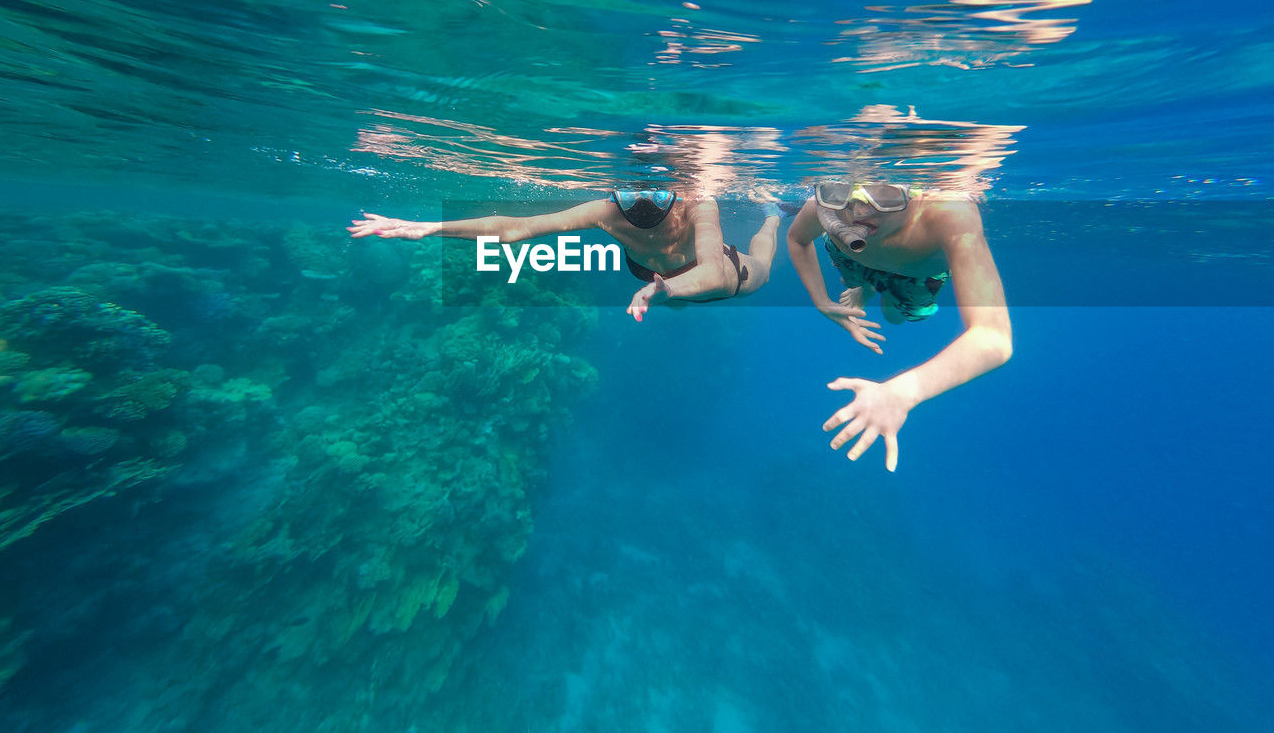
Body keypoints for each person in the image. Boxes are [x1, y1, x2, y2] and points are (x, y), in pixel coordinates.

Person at [786, 182, 1012, 472]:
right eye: (843, 192)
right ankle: (864, 286)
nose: (857, 210)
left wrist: (902, 393)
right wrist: (821, 300)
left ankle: (878, 291)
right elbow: (797, 239)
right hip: (851, 254)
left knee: (894, 315)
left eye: (883, 192)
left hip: (916, 273)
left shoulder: (950, 213)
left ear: (915, 191)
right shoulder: (827, 206)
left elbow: (994, 337)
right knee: (854, 282)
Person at [348, 191, 791, 321]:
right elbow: (517, 228)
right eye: (631, 191)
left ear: (675, 193)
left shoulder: (698, 205)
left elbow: (713, 270)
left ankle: (771, 217)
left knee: (765, 271)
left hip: (711, 277)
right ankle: (663, 295)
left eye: (658, 192)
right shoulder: (602, 212)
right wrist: (433, 228)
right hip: (655, 286)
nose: (643, 204)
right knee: (669, 304)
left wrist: (664, 289)